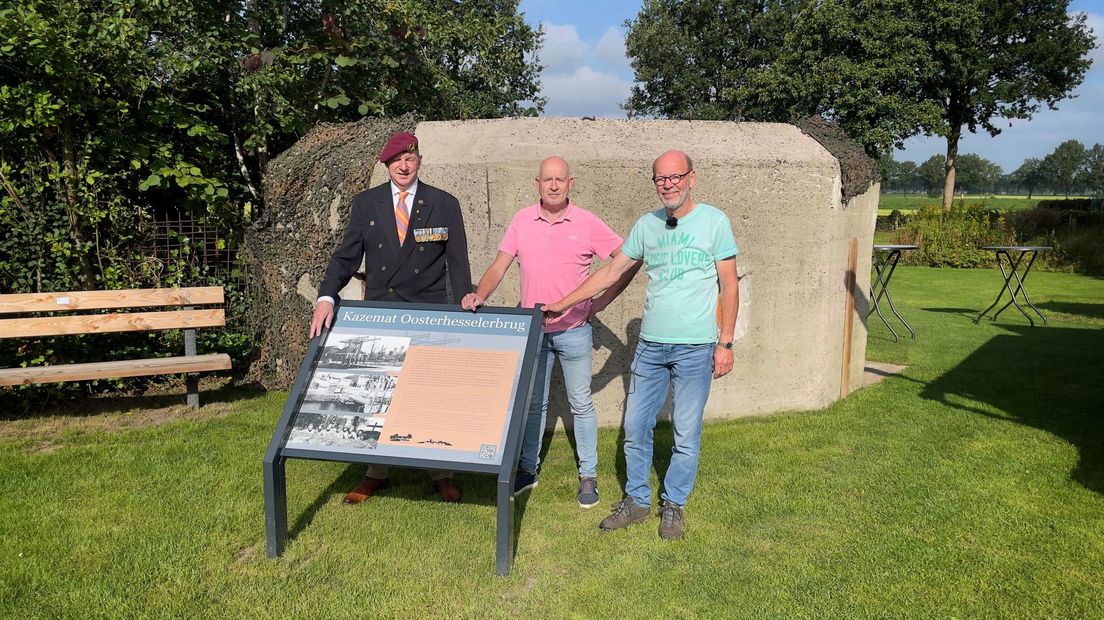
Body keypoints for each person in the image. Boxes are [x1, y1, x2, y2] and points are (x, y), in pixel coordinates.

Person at [543, 150, 739, 539]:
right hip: (650, 346)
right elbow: (613, 270)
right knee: (634, 426)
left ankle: (674, 505)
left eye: (675, 177)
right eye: (660, 178)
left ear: (691, 178)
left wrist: (726, 342)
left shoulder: (714, 222)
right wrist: (564, 304)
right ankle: (636, 500)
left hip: (696, 347)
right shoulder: (647, 226)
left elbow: (729, 284)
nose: (668, 184)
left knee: (685, 431)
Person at [461, 156, 637, 508]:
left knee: (581, 405)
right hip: (533, 333)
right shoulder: (522, 221)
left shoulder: (587, 222)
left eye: (560, 179)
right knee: (532, 404)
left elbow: (629, 259)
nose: (553, 185)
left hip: (574, 331)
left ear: (571, 183)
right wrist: (479, 294)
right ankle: (528, 469)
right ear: (537, 183)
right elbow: (499, 265)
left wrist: (601, 303)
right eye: (547, 179)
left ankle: (588, 476)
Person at [309, 131, 472, 504]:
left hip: (428, 315)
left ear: (419, 162)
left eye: (410, 158)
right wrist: (326, 295)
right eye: (397, 159)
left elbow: (458, 261)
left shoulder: (444, 204)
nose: (404, 165)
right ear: (386, 164)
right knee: (377, 398)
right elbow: (347, 256)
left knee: (428, 397)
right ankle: (375, 472)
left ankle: (441, 471)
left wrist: (464, 300)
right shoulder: (366, 203)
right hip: (382, 314)